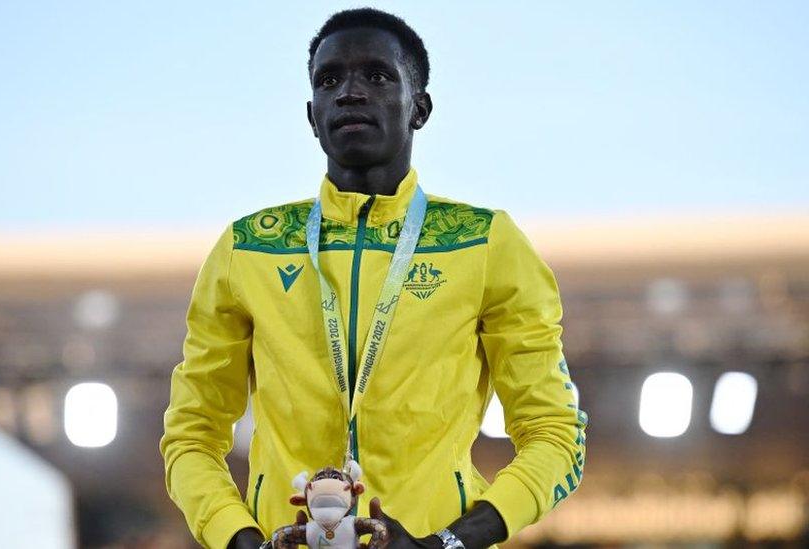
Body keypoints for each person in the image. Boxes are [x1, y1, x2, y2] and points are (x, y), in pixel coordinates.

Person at [160, 8, 588, 549]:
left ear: (421, 108)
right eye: (329, 80)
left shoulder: (486, 243)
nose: (350, 92)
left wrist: (448, 543)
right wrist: (239, 538)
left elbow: (555, 432)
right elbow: (190, 433)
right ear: (312, 115)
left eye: (378, 76)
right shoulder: (247, 247)